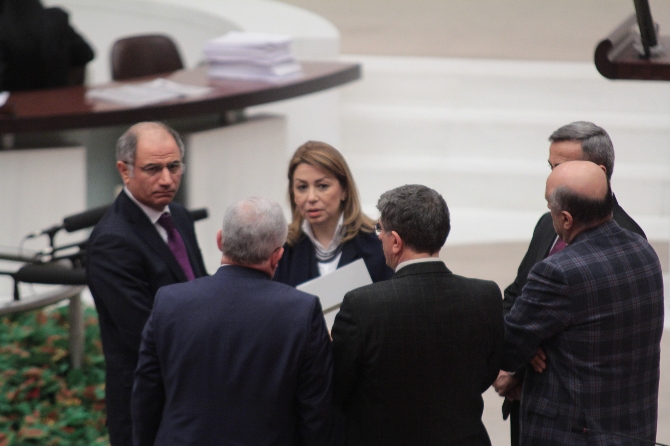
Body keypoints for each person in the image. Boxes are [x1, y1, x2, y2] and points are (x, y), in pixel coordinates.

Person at [132, 197, 336, 446]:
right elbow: (316, 413)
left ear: (220, 241)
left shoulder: (169, 302)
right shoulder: (301, 311)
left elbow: (146, 398)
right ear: (277, 256)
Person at [495, 121, 647, 446]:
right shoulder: (547, 224)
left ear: (599, 172)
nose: (552, 180)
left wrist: (522, 352)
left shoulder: (629, 239)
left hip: (577, 427)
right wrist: (527, 344)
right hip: (544, 408)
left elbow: (602, 339)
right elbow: (517, 294)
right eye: (551, 167)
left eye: (562, 168)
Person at [331, 184, 503, 446]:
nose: (378, 237)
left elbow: (338, 388)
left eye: (380, 229)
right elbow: (485, 374)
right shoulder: (485, 295)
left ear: (396, 241)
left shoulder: (362, 305)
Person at [87, 122, 207, 446]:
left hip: (191, 395)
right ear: (124, 171)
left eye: (174, 166)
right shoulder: (112, 242)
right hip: (148, 407)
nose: (167, 179)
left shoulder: (178, 215)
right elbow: (145, 333)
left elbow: (199, 286)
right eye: (153, 169)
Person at [273, 141, 393, 287]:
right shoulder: (281, 249)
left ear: (344, 190)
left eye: (322, 186)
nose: (311, 198)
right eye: (302, 187)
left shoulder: (379, 243)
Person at [0, 0, 94, 91]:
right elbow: (85, 54)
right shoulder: (56, 19)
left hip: (14, 99)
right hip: (60, 97)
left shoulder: (5, 29)